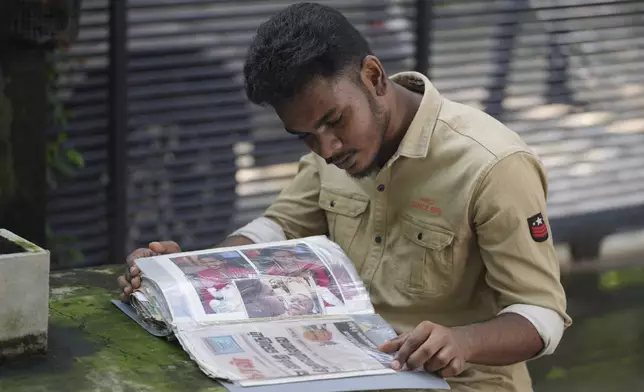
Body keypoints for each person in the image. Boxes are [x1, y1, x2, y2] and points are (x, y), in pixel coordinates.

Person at [117, 3, 571, 391]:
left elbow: (541, 316)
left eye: (335, 120)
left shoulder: (493, 164)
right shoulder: (332, 150)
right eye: (305, 136)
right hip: (344, 371)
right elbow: (278, 229)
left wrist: (461, 342)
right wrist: (191, 273)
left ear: (373, 76)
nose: (327, 148)